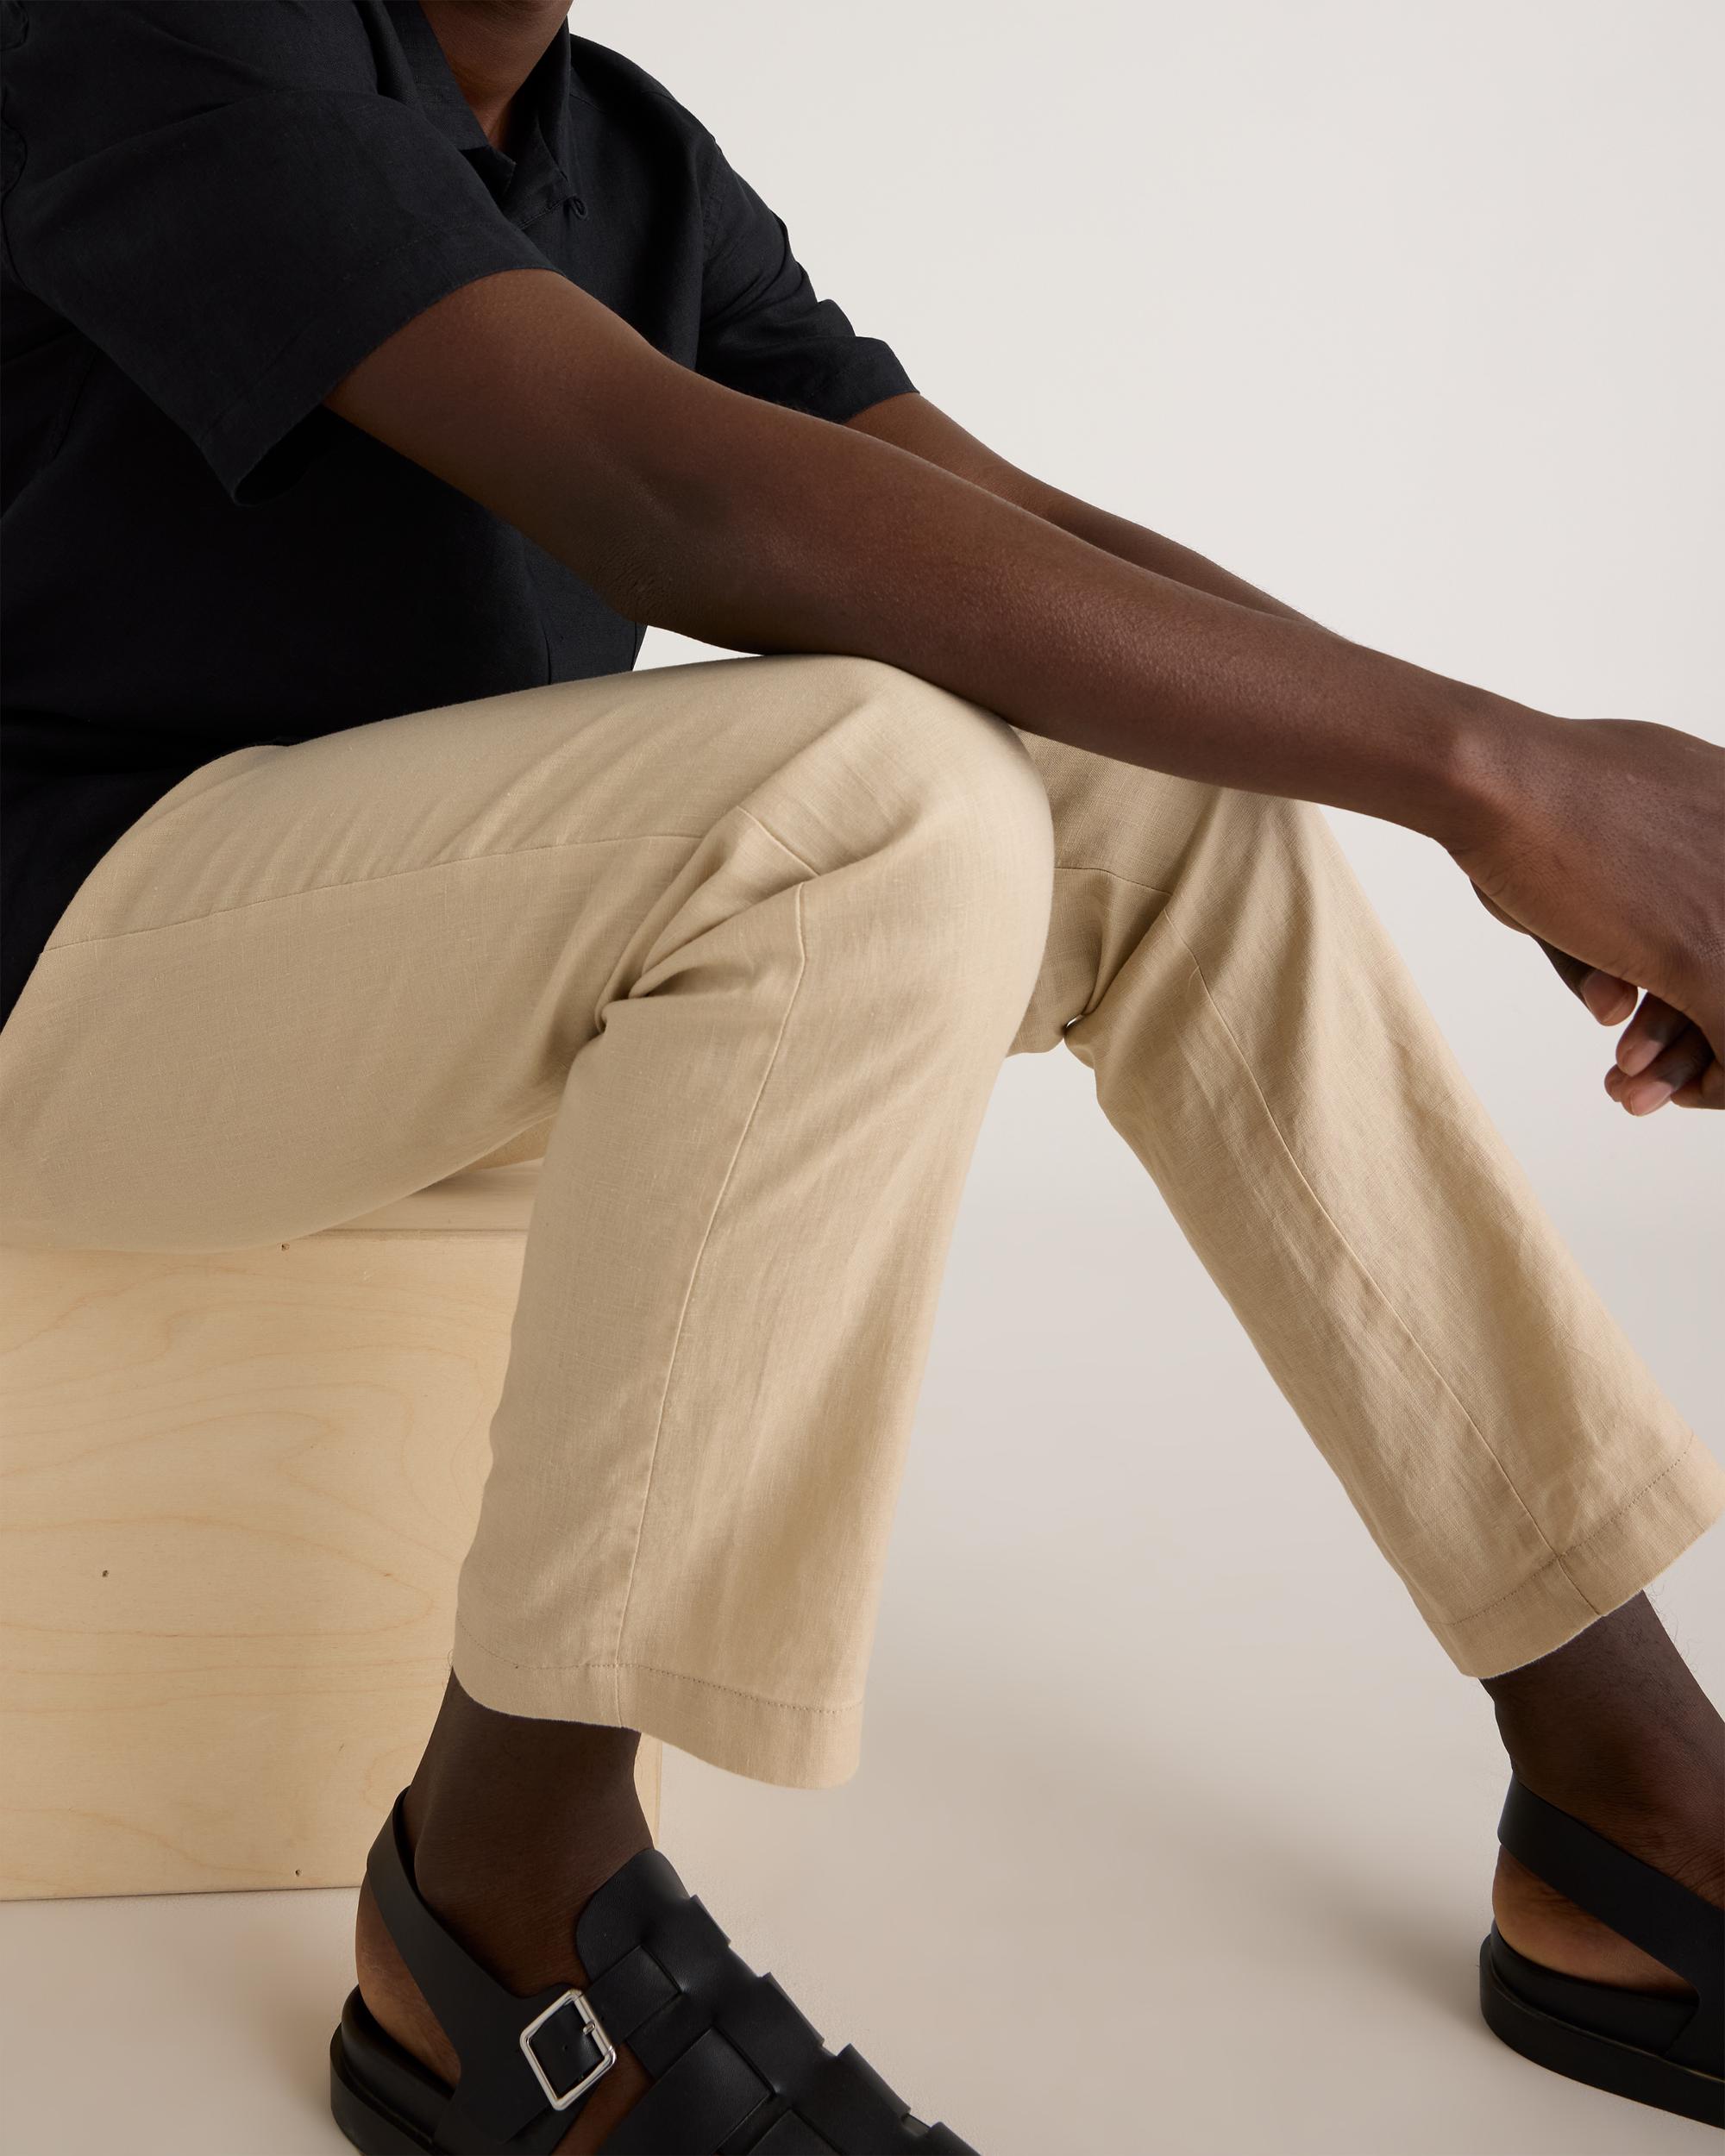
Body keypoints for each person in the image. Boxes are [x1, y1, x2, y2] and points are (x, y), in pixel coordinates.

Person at [1, 2, 1719, 2147]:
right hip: (67, 972)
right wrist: (1500, 775)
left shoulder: (627, 161)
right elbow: (671, 494)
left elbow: (1010, 543)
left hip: (393, 973)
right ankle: (504, 1900)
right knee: (866, 792)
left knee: (1158, 778)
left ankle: (1625, 1799)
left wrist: (1520, 811)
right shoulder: (161, 32)